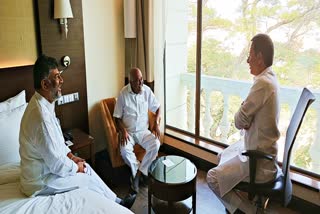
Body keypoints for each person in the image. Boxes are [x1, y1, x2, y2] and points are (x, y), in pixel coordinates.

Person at [19, 55, 136, 209]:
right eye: (57, 77)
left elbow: (58, 144)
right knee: (84, 175)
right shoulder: (41, 118)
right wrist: (76, 167)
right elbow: (56, 164)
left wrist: (72, 156)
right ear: (45, 84)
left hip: (47, 170)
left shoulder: (44, 104)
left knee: (84, 165)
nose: (61, 81)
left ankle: (117, 202)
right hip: (40, 182)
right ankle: (117, 205)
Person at [206, 34, 281, 213]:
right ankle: (241, 203)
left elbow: (239, 121)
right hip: (259, 149)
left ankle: (247, 210)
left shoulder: (262, 83)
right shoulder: (270, 78)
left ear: (260, 57)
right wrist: (246, 117)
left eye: (250, 55)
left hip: (258, 159)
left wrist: (244, 114)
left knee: (212, 177)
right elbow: (245, 120)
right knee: (221, 156)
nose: (248, 60)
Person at [113, 67, 161, 193]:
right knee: (124, 151)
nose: (141, 83)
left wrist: (155, 123)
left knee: (156, 144)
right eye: (137, 81)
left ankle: (138, 174)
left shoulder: (146, 91)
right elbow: (116, 117)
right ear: (130, 81)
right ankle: (141, 172)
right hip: (128, 132)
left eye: (141, 79)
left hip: (143, 131)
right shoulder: (123, 94)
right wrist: (123, 131)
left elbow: (158, 107)